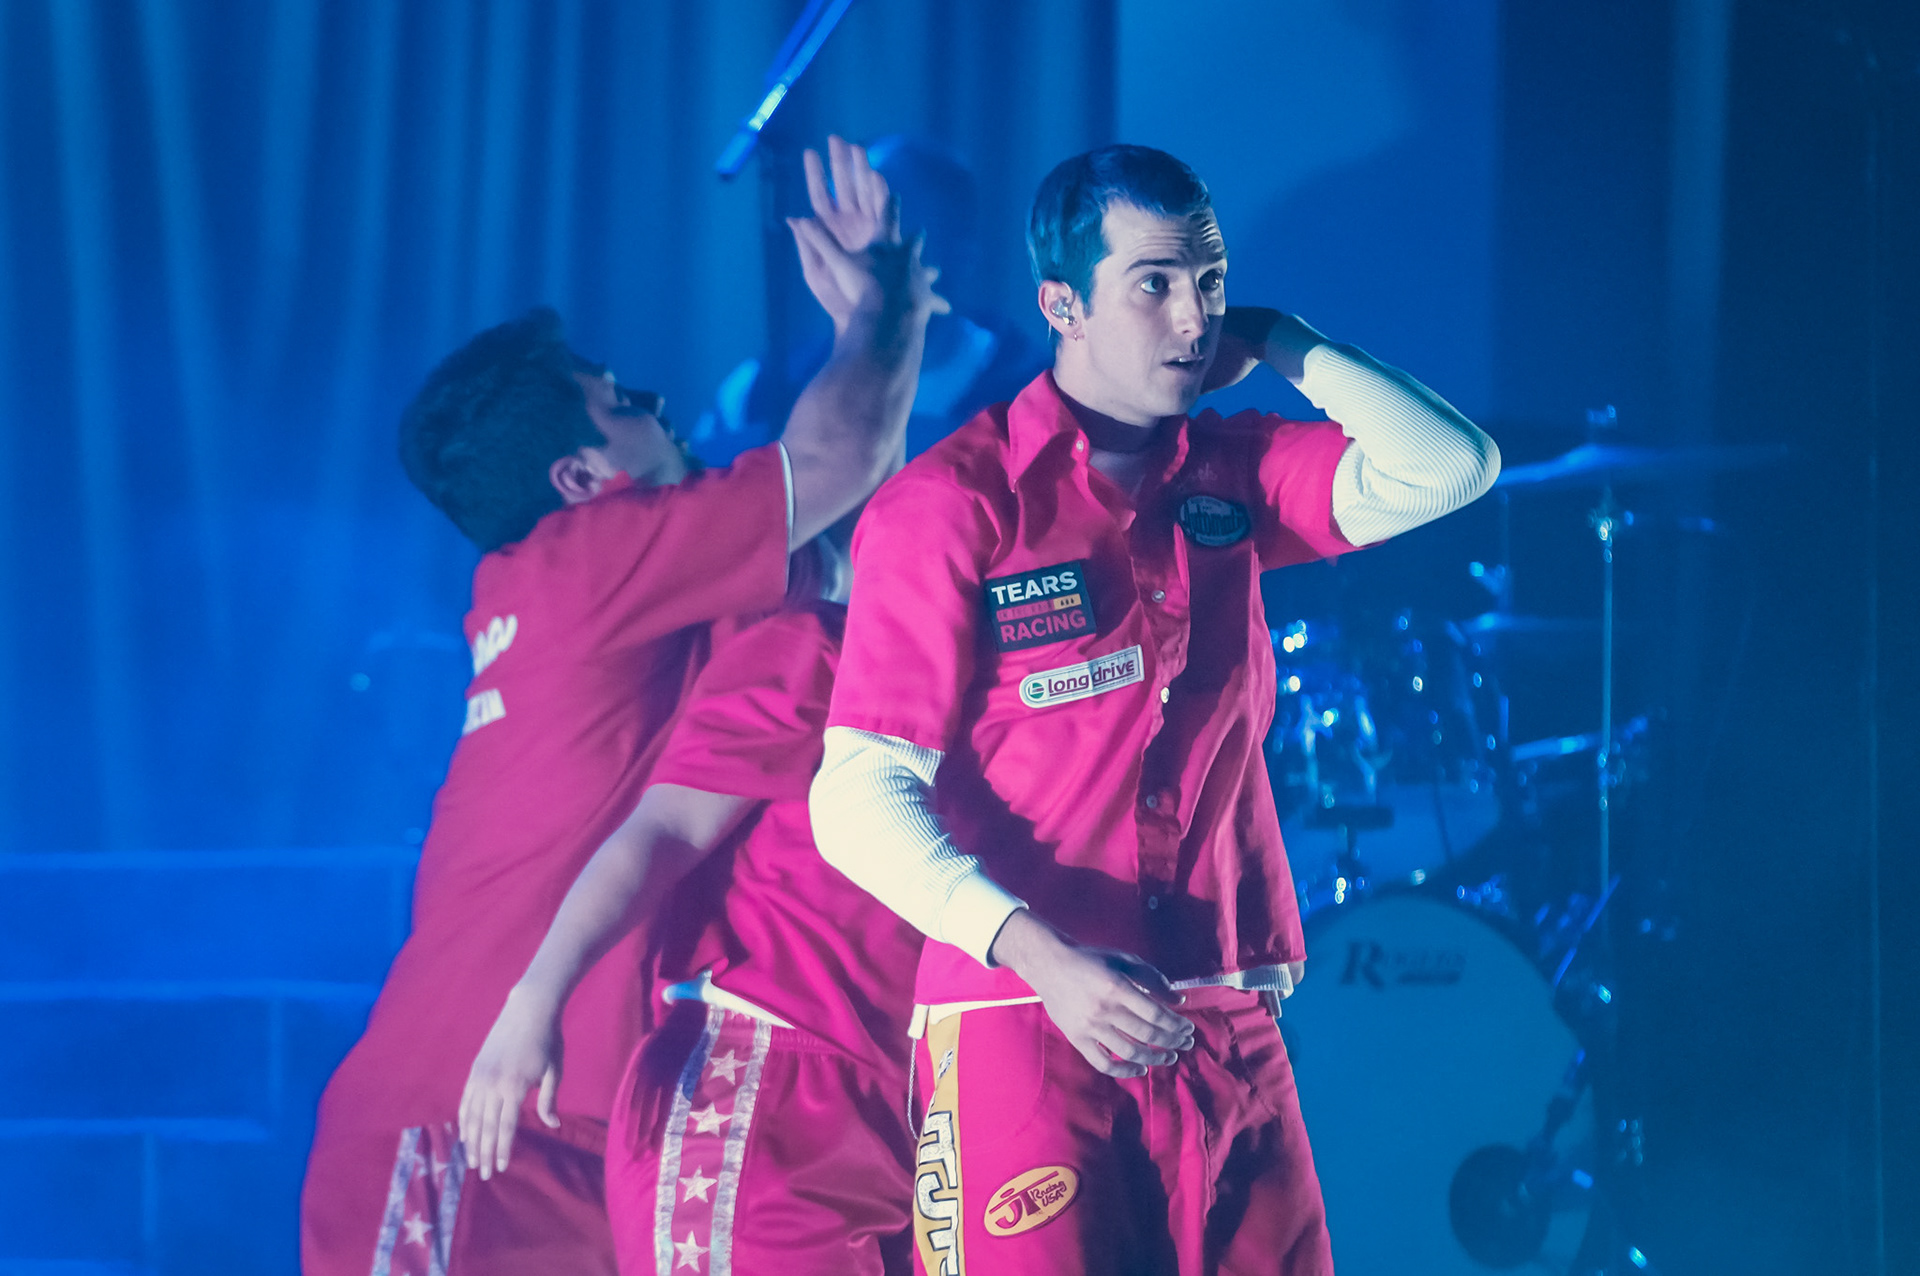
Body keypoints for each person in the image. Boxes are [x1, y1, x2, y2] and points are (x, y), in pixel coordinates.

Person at [808, 144, 1502, 1275]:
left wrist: (1277, 336)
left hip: (1224, 1014)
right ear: (1062, 306)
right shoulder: (952, 503)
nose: (1193, 316)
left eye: (1211, 281)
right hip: (1024, 1017)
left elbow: (1453, 467)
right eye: (1155, 283)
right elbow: (855, 798)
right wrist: (1042, 957)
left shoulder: (1230, 470)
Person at [301, 137, 942, 1276]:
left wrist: (888, 330)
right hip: (462, 1099)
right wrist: (879, 313)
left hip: (573, 1105)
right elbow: (836, 458)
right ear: (583, 478)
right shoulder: (580, 562)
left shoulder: (646, 594)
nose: (666, 410)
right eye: (627, 402)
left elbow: (857, 538)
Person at [456, 580, 922, 1276]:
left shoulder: (1020, 679)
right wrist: (535, 998)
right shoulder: (819, 646)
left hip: (914, 1096)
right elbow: (667, 829)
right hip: (766, 1087)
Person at [695, 135, 1050, 467]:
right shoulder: (758, 392)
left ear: (962, 252)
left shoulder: (1036, 393)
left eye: (892, 222)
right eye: (841, 223)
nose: (859, 249)